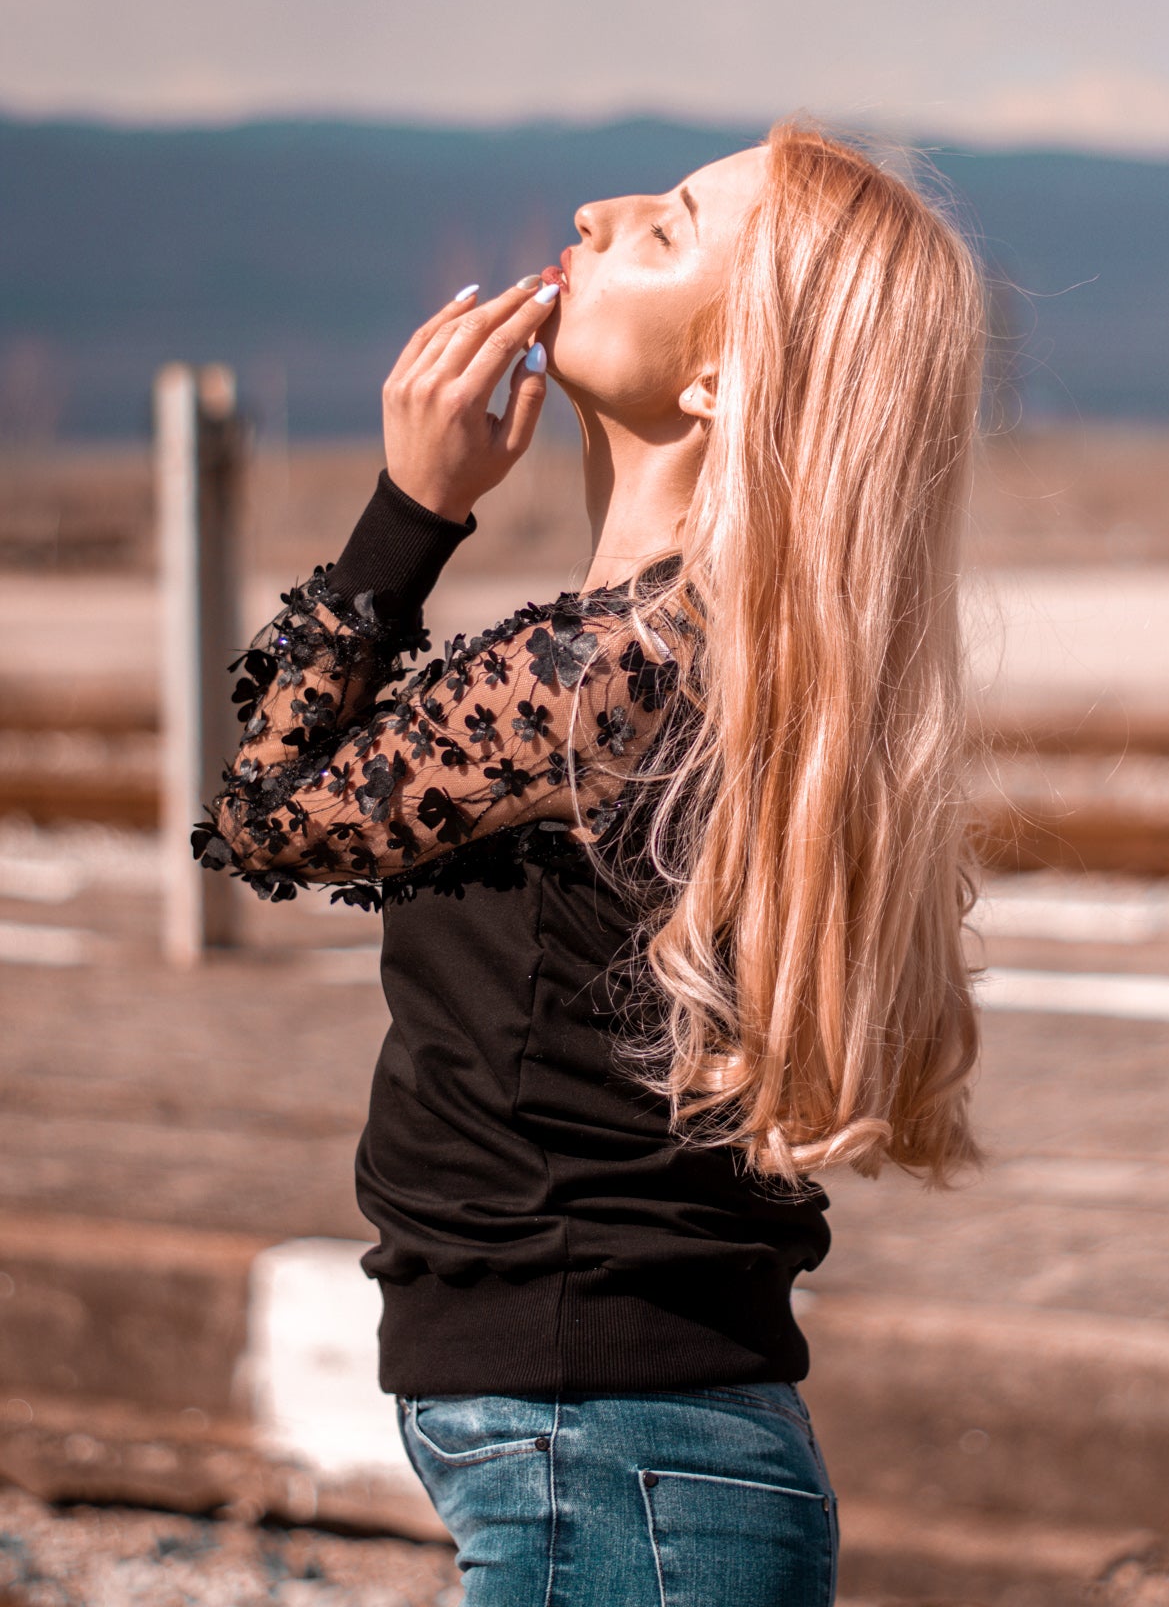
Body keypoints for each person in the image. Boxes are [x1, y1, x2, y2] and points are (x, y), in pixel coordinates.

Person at [193, 119, 985, 1607]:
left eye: (669, 227)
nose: (596, 210)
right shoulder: (706, 655)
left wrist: (410, 510)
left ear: (719, 379)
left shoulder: (599, 674)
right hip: (631, 1453)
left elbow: (260, 815)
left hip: (604, 1455)